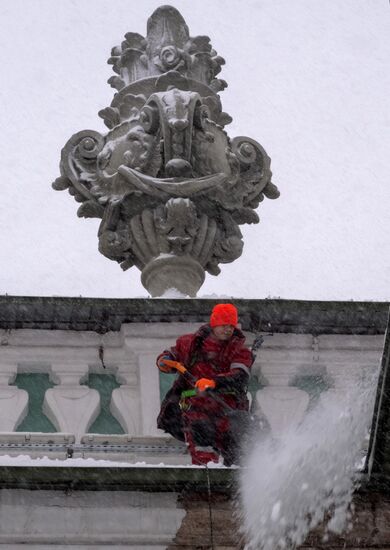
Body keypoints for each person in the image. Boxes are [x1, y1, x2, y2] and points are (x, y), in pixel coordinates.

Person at [156, 303, 253, 465]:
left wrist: (214, 382)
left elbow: (240, 376)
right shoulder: (190, 344)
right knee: (201, 436)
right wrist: (164, 361)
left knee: (234, 450)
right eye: (224, 324)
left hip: (224, 409)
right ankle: (206, 472)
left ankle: (222, 475)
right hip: (193, 407)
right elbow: (171, 356)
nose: (228, 329)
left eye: (231, 325)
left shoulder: (239, 351)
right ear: (214, 323)